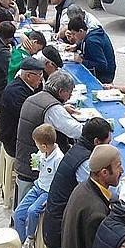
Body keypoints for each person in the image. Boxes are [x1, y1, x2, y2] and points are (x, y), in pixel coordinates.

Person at [43, 118, 112, 248]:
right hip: (61, 239)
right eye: (108, 144)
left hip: (57, 226)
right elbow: (107, 193)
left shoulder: (77, 149)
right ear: (97, 142)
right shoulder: (86, 164)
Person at [15, 71, 83, 203]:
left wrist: (62, 108)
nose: (70, 96)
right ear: (61, 91)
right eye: (69, 92)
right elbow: (75, 131)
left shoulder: (35, 98)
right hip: (38, 166)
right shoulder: (53, 109)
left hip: (23, 157)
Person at [13, 124, 63, 248]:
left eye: (37, 144)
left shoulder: (58, 159)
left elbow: (59, 181)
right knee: (18, 213)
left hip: (47, 192)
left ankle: (30, 238)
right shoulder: (42, 154)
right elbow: (40, 169)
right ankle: (20, 241)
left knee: (32, 211)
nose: (36, 146)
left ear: (44, 146)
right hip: (38, 187)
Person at [0, 58, 44, 159]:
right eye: (39, 75)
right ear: (28, 76)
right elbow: (31, 119)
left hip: (19, 134)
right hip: (14, 142)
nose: (41, 79)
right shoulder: (16, 93)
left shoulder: (28, 86)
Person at [68, 17, 116, 84]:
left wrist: (82, 61)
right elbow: (83, 42)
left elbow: (102, 65)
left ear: (81, 31)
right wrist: (76, 47)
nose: (73, 37)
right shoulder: (90, 33)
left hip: (104, 76)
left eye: (74, 34)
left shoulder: (92, 42)